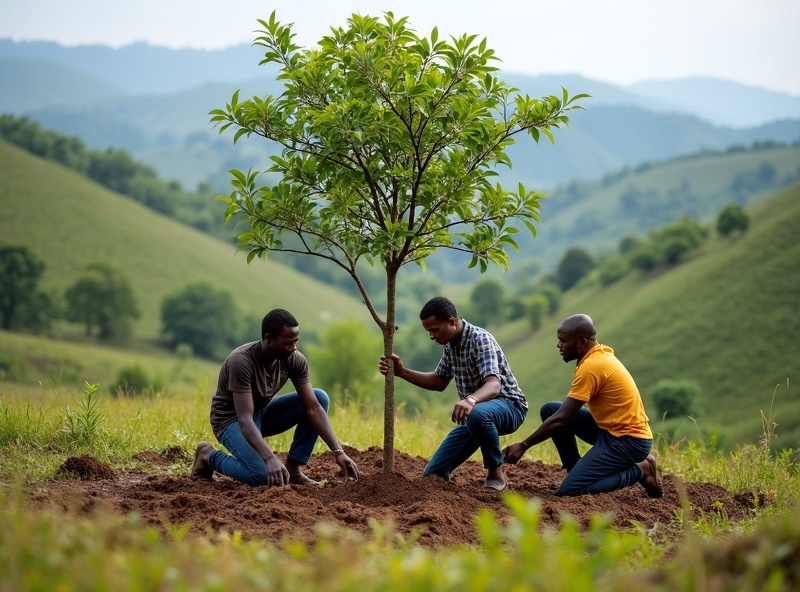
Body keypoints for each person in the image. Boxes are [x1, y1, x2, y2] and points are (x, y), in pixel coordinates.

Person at [191, 308, 361, 486]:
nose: (294, 348)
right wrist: (269, 458)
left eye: (296, 342)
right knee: (263, 477)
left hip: (260, 414)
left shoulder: (295, 360)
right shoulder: (241, 361)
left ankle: (294, 470)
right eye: (288, 343)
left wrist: (338, 451)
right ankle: (207, 456)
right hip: (231, 420)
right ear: (268, 338)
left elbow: (314, 407)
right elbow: (244, 418)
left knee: (320, 397)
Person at [503, 313, 663, 497]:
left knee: (570, 490)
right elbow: (560, 414)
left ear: (582, 342)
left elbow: (562, 419)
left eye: (563, 341)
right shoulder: (597, 354)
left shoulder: (592, 366)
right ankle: (575, 469)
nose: (559, 345)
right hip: (610, 431)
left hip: (629, 442)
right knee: (550, 410)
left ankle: (641, 469)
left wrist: (524, 445)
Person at [379, 296, 527, 491]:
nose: (431, 336)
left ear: (452, 321)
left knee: (477, 413)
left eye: (434, 330)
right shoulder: (450, 346)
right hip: (476, 417)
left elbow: (493, 386)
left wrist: (470, 400)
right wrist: (402, 373)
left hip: (509, 407)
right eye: (428, 332)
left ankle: (495, 470)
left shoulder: (480, 339)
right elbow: (439, 381)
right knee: (433, 475)